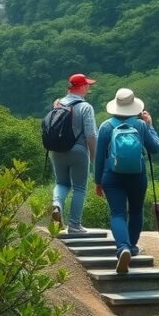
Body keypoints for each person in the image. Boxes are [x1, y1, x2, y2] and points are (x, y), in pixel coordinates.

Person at [94, 88, 159, 274]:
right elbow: (155, 148)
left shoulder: (106, 127)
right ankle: (131, 247)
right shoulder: (140, 125)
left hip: (111, 176)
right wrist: (150, 125)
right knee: (136, 211)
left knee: (117, 214)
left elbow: (99, 158)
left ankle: (122, 248)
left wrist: (97, 181)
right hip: (137, 176)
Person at [49, 73, 98, 233]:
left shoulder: (57, 104)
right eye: (88, 85)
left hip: (56, 151)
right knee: (79, 188)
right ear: (82, 87)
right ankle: (74, 225)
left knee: (61, 183)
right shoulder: (85, 107)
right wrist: (93, 155)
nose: (89, 88)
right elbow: (91, 135)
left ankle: (57, 204)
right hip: (78, 151)